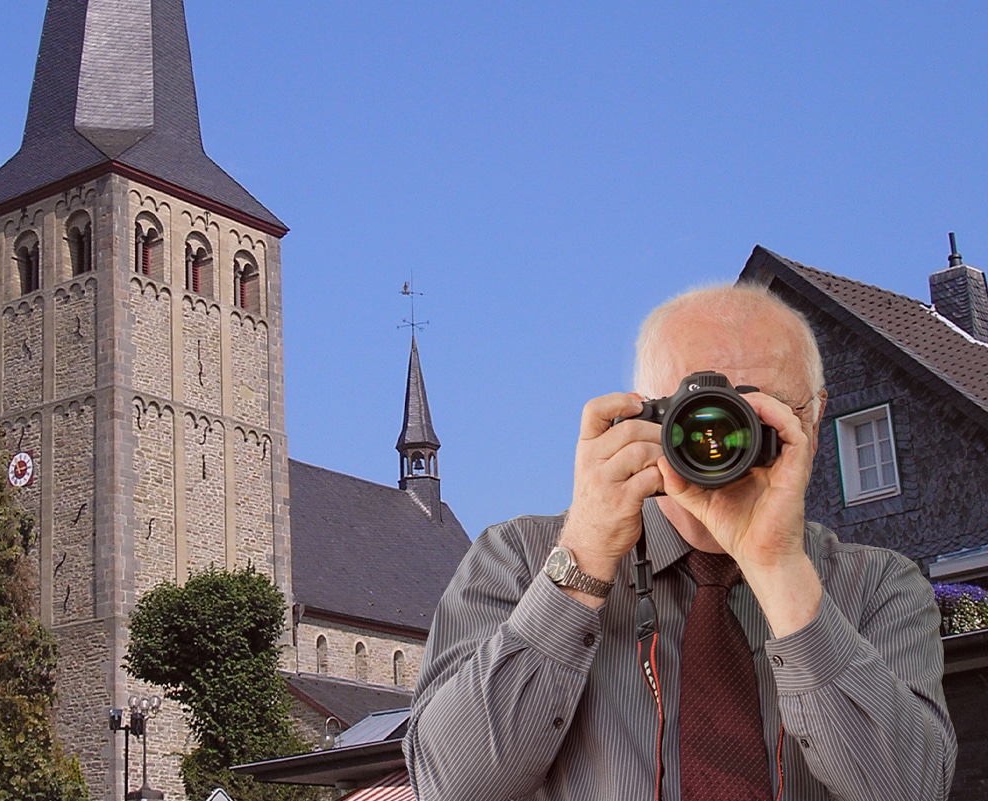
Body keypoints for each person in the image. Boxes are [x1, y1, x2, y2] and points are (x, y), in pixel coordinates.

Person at [404, 284, 955, 801]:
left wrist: (780, 570)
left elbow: (911, 790)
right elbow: (452, 785)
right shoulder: (518, 560)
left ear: (813, 421)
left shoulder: (878, 585)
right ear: (641, 417)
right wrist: (583, 562)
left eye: (759, 412)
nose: (724, 439)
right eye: (698, 413)